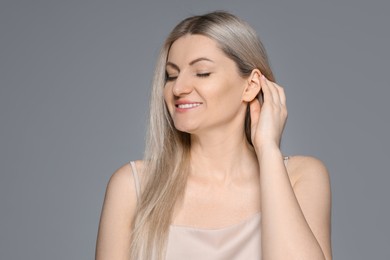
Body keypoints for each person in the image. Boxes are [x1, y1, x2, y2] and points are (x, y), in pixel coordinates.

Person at [95, 11, 332, 260]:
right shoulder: (133, 187)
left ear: (251, 85)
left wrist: (268, 150)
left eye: (202, 72)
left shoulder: (301, 177)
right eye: (171, 75)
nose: (178, 88)